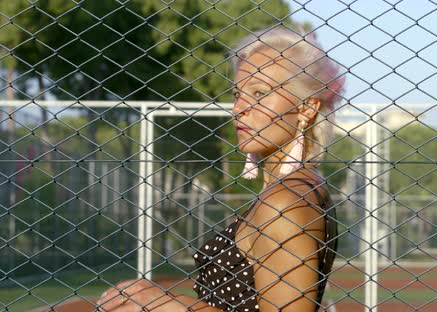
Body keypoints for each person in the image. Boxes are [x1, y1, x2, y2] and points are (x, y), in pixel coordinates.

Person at [97, 26, 345, 312]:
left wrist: (166, 306)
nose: (239, 108)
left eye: (260, 93)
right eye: (238, 93)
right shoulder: (293, 188)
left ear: (306, 108)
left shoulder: (286, 202)